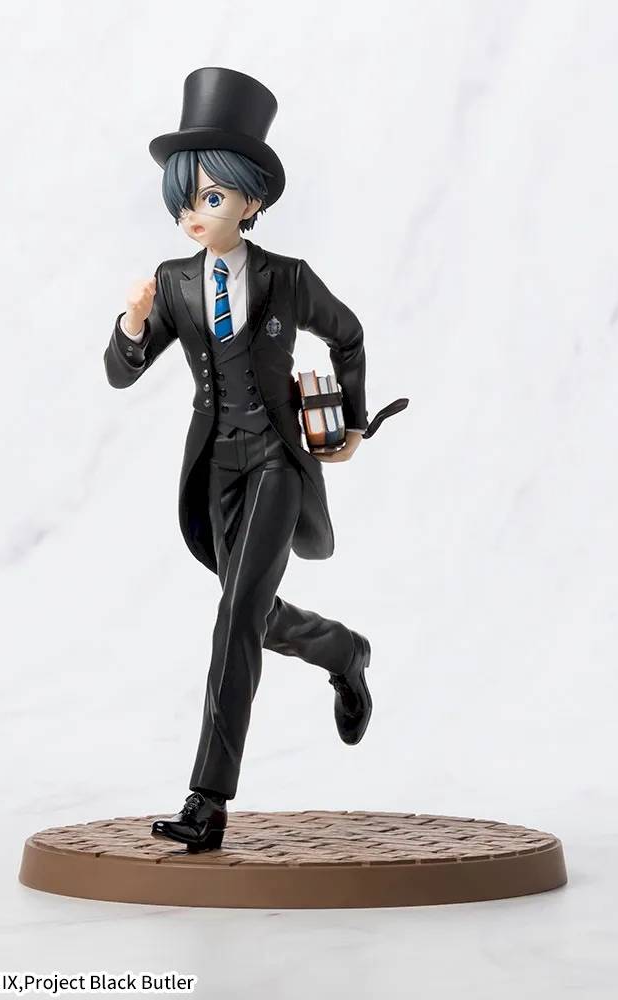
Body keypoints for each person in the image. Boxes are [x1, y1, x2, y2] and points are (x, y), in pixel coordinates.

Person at [104, 68, 396, 853]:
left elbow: (348, 334)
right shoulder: (174, 284)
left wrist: (349, 421)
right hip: (215, 470)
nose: (192, 214)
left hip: (274, 461)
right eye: (182, 200)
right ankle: (342, 651)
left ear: (251, 199)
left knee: (235, 617)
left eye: (209, 196)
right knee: (253, 611)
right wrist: (132, 325)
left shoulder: (286, 279)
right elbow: (122, 372)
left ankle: (207, 801)